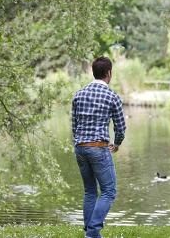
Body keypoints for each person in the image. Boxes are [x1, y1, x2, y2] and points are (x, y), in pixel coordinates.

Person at [72, 57, 126, 238]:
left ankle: (89, 231)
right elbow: (120, 127)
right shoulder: (112, 96)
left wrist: (79, 142)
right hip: (98, 147)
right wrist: (117, 143)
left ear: (93, 72)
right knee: (109, 191)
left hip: (80, 147)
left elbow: (74, 124)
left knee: (89, 190)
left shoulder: (78, 94)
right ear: (109, 73)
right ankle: (93, 231)